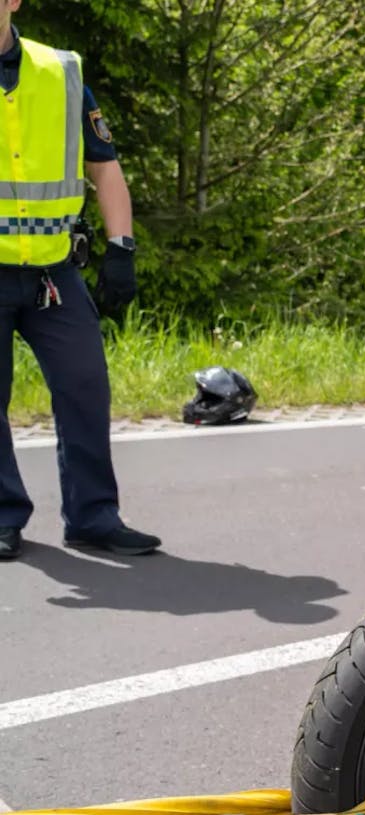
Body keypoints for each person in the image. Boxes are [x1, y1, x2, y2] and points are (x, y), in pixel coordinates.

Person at [0, 0, 158, 560]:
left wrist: (122, 248)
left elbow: (104, 168)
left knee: (85, 388)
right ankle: (2, 516)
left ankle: (93, 517)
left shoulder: (60, 71)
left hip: (53, 272)